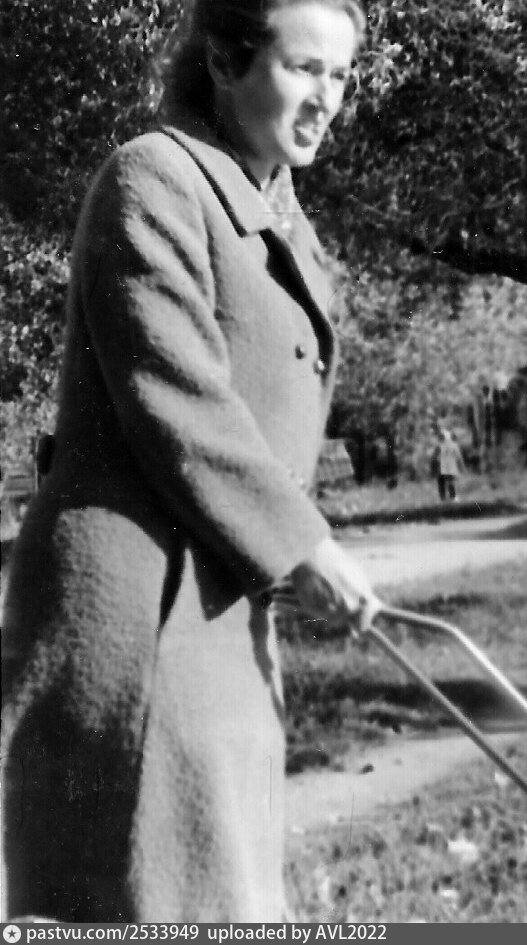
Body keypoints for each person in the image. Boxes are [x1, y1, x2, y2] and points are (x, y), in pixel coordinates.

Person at [0, 0, 380, 922]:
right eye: (304, 68)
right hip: (140, 612)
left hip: (224, 607)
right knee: (150, 897)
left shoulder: (282, 219)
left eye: (341, 75)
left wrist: (288, 550)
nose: (328, 98)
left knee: (219, 892)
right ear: (223, 60)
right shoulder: (153, 179)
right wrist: (302, 543)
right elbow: (176, 394)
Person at [432, 426, 465, 502]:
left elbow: (458, 457)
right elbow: (458, 457)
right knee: (445, 482)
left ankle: (448, 497)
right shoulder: (449, 445)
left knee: (446, 482)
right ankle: (446, 498)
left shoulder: (442, 446)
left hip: (445, 467)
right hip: (445, 467)